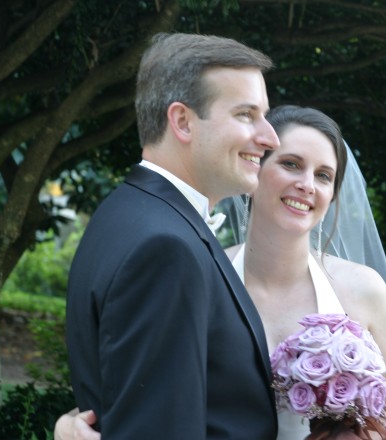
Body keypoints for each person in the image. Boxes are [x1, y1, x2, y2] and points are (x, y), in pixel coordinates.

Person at [57, 105, 386, 439]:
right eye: (290, 164)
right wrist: (72, 423)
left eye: (324, 175)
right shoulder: (201, 273)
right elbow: (148, 385)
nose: (307, 184)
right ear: (254, 170)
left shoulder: (363, 288)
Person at [64, 32, 280, 438]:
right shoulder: (165, 249)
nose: (270, 138)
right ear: (182, 121)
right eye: (246, 115)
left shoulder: (126, 213)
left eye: (264, 115)